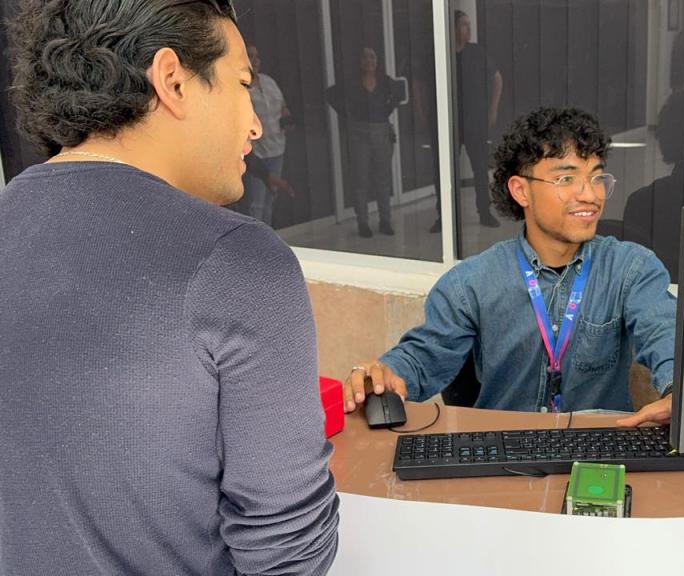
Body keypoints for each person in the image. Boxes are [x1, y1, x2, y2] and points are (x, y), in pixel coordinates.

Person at [0, 1, 339, 574]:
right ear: (173, 81)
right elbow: (287, 555)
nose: (255, 124)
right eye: (242, 84)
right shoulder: (238, 261)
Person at [345, 107, 676, 427]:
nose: (590, 194)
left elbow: (664, 331)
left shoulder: (631, 269)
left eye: (596, 177)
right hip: (502, 450)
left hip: (596, 451)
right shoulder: (470, 284)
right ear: (521, 191)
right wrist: (388, 374)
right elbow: (424, 355)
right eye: (566, 178)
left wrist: (679, 390)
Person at [430, 9, 503, 232]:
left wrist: (492, 110)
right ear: (452, 28)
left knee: (480, 168)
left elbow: (497, 79)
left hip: (475, 121)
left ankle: (484, 212)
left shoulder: (477, 53)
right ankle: (444, 217)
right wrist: (424, 113)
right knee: (444, 171)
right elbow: (421, 84)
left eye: (469, 25)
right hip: (447, 122)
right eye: (463, 25)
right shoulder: (441, 54)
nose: (468, 29)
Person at [332, 47, 401, 238]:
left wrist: (387, 109)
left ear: (377, 61)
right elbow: (331, 94)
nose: (369, 61)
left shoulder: (384, 81)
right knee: (360, 180)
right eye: (365, 57)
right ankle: (363, 222)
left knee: (383, 179)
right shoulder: (351, 82)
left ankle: (385, 220)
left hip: (381, 132)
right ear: (359, 61)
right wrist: (347, 114)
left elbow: (399, 93)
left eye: (372, 57)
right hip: (358, 134)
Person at [241, 43, 290, 226]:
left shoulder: (269, 82)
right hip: (257, 153)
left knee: (271, 198)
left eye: (257, 56)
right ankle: (255, 239)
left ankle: (268, 235)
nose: (255, 60)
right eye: (250, 56)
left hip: (277, 148)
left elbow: (283, 106)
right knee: (256, 204)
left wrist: (286, 117)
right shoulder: (241, 87)